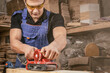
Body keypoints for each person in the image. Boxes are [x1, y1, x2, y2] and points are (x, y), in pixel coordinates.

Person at [10, 0, 67, 68]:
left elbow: (61, 37)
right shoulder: (18, 17)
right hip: (23, 67)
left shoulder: (55, 18)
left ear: (44, 2)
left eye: (39, 6)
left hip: (46, 66)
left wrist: (54, 46)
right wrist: (25, 48)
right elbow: (14, 42)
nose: (35, 11)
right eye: (31, 7)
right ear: (25, 2)